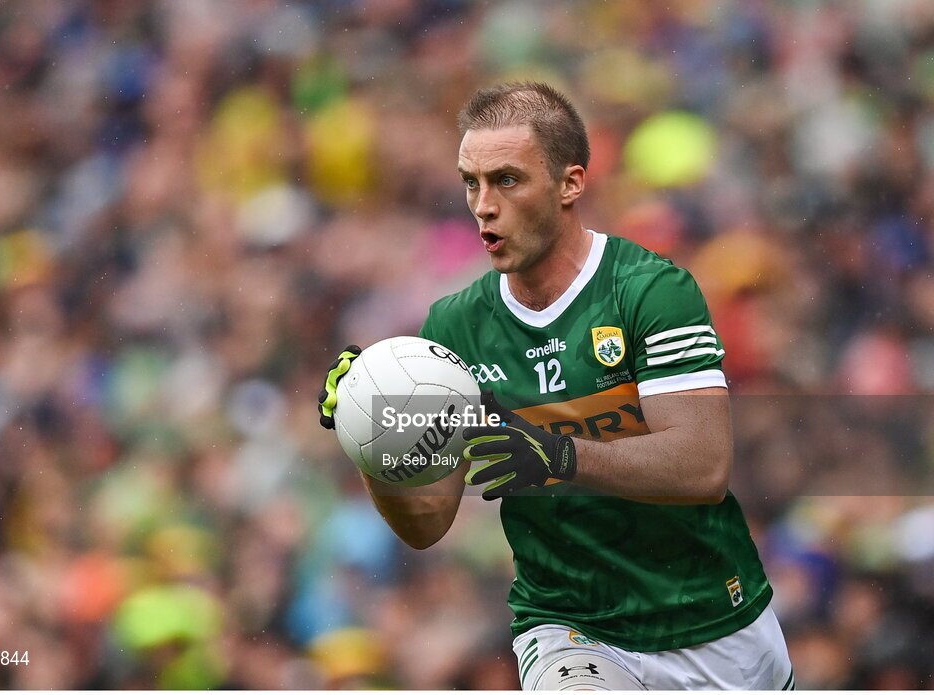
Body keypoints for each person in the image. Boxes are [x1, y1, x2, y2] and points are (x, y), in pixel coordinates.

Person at [318, 82, 793, 690]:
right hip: (569, 627)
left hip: (714, 622)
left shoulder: (650, 291)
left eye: (507, 180)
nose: (483, 205)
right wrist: (371, 438)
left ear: (571, 183)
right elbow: (427, 522)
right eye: (472, 182)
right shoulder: (452, 328)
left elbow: (702, 466)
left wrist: (559, 456)